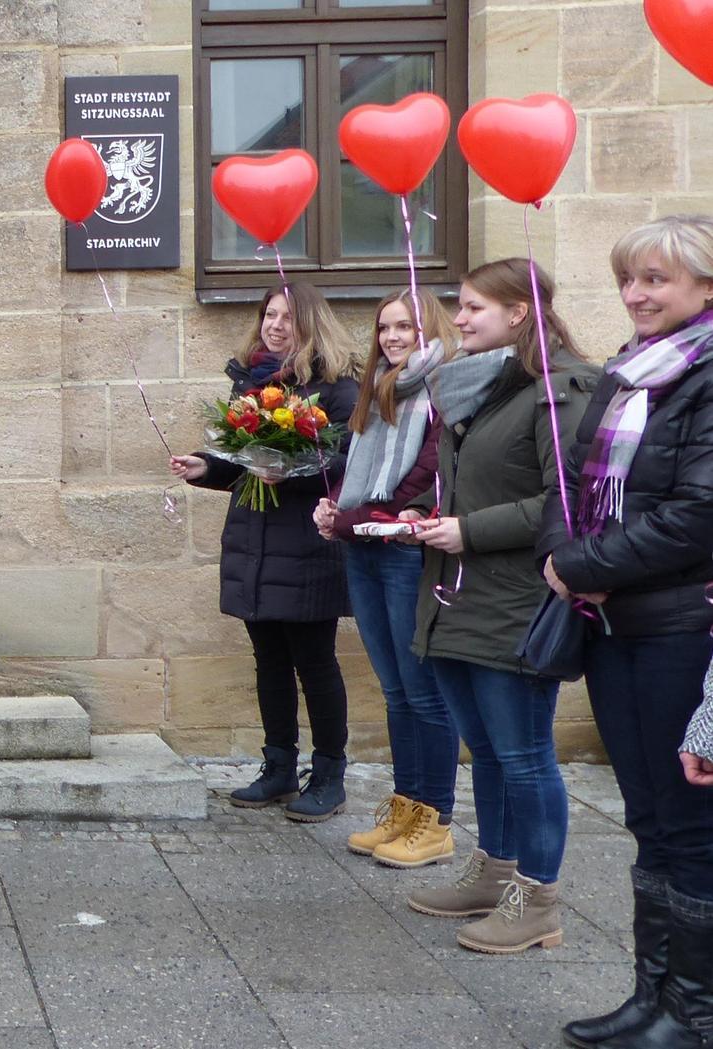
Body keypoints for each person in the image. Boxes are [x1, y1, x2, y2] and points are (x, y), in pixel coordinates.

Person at [539, 215, 713, 1046]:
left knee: (688, 821)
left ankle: (694, 1008)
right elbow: (569, 482)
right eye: (628, 279)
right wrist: (561, 553)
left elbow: (698, 514)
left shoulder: (705, 373)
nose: (636, 294)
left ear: (705, 287)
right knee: (644, 813)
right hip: (613, 622)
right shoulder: (629, 371)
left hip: (681, 625)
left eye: (656, 279)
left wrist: (585, 563)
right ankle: (652, 996)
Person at [396, 258, 596, 955]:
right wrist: (424, 513)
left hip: (513, 601)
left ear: (519, 313)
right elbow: (477, 484)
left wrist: (467, 530)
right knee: (484, 750)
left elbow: (564, 500)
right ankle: (494, 872)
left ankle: (534, 900)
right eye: (458, 304)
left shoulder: (559, 388)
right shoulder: (486, 385)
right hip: (457, 599)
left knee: (523, 755)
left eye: (473, 307)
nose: (458, 318)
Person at [169, 283, 360, 821]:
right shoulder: (250, 382)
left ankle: (328, 775)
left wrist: (291, 475)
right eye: (269, 315)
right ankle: (278, 768)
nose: (275, 325)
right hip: (254, 540)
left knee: (315, 663)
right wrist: (208, 467)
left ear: (311, 324)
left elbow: (345, 464)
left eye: (287, 317)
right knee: (269, 661)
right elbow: (241, 457)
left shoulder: (338, 389)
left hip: (306, 543)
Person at [313, 289, 461, 868]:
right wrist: (332, 508)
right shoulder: (376, 394)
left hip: (404, 552)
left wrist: (350, 519)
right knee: (396, 689)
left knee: (424, 691)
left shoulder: (444, 390)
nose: (393, 338)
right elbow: (356, 468)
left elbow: (427, 472)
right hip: (364, 549)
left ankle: (437, 819)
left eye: (405, 327)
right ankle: (406, 804)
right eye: (385, 328)